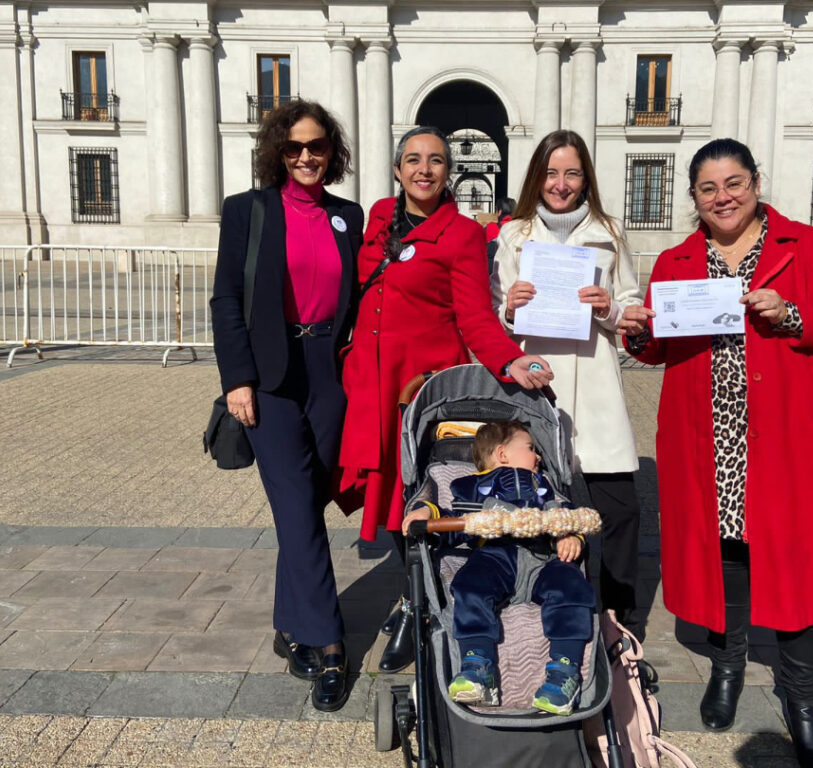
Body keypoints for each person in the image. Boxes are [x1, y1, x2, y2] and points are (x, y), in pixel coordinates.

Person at [620, 138, 813, 768]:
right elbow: (660, 348)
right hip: (707, 436)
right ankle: (727, 667)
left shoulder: (809, 247)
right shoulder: (678, 260)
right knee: (723, 557)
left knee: (796, 564)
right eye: (708, 189)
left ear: (755, 183)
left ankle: (803, 701)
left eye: (733, 183)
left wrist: (792, 313)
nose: (722, 198)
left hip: (787, 436)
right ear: (694, 198)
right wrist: (639, 333)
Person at [337, 125, 553, 674]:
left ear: (448, 170)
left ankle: (415, 603)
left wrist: (510, 360)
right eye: (413, 159)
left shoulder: (460, 234)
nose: (424, 170)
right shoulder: (379, 216)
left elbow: (474, 316)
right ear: (396, 168)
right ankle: (411, 591)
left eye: (435, 161)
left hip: (420, 385)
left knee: (417, 494)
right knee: (386, 488)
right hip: (370, 380)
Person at [210, 99, 363, 712]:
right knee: (298, 511)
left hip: (330, 374)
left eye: (317, 146)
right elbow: (226, 297)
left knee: (310, 500)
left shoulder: (347, 216)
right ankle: (328, 644)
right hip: (270, 381)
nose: (306, 157)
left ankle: (287, 622)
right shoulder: (248, 211)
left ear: (332, 152)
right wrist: (237, 379)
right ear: (277, 151)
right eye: (294, 147)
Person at [491, 130, 646, 638]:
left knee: (618, 507)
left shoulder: (611, 232)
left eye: (572, 173)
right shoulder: (513, 235)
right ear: (539, 176)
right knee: (536, 498)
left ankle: (621, 614)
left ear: (586, 179)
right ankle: (544, 603)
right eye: (553, 173)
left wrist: (611, 308)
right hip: (537, 380)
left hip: (595, 375)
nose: (561, 184)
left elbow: (631, 305)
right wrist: (509, 304)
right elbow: (493, 315)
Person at [401, 421, 595, 715]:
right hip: (495, 554)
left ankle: (564, 674)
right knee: (468, 586)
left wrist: (571, 533)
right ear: (503, 454)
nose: (538, 456)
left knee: (572, 587)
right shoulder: (473, 487)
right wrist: (429, 511)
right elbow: (456, 518)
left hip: (543, 555)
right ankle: (478, 667)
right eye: (531, 448)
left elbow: (563, 510)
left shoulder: (542, 485)